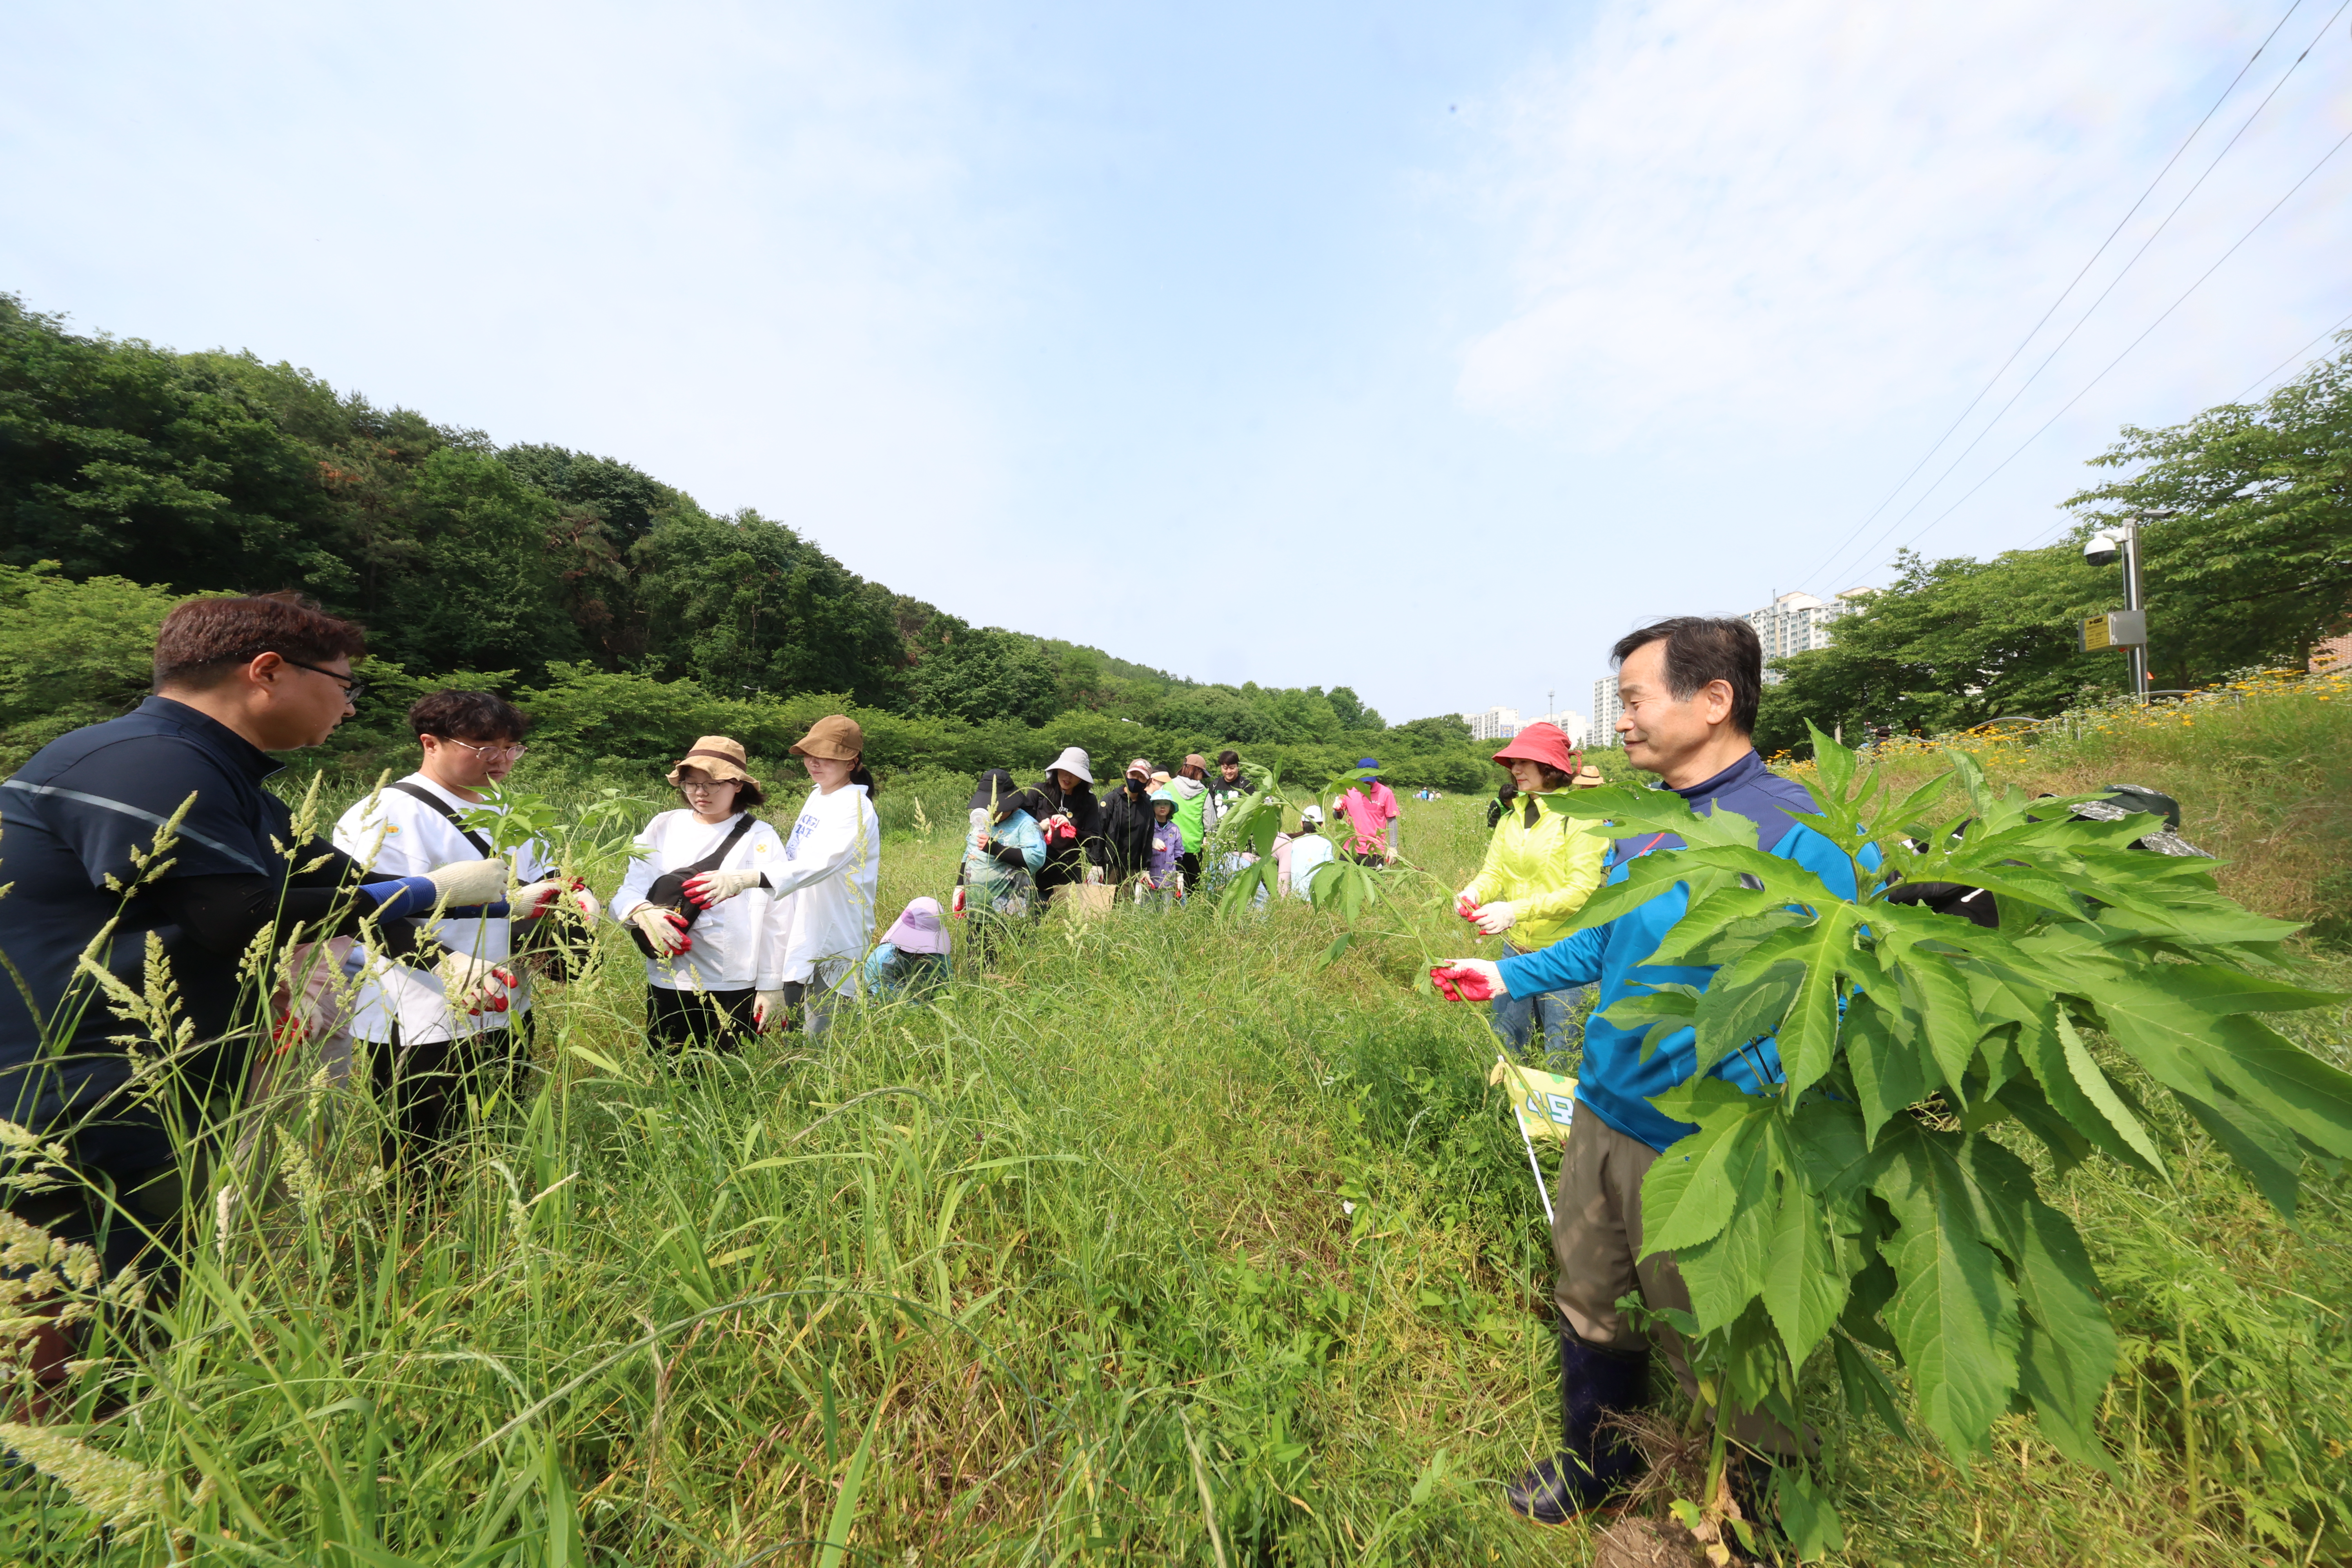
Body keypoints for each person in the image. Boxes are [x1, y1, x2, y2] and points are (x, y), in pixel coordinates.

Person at [0, 594, 511, 1404]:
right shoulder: (144, 759)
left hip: (156, 1094)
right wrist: (426, 889)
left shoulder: (226, 778)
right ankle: (53, 1500)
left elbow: (337, 885)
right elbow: (231, 915)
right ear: (267, 671)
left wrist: (457, 944)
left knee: (136, 1323)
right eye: (344, 685)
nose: (349, 704)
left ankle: (111, 1488)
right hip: (72, 1098)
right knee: (57, 1335)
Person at [1433, 618, 1873, 1526]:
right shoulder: (1646, 817)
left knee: (1723, 1336)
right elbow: (1610, 932)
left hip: (1708, 1133)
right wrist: (1507, 972)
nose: (1621, 722)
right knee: (1590, 1296)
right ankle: (1595, 1461)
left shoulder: (1800, 831)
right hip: (1604, 1107)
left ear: (1713, 701)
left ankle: (1755, 1512)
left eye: (1634, 699)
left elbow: (1852, 980)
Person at [335, 691, 593, 1146]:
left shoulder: (510, 810)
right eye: (484, 748)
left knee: (495, 1137)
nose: (502, 760)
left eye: (511, 747)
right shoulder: (385, 813)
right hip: (420, 1011)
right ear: (430, 742)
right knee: (424, 1153)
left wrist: (573, 903)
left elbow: (544, 882)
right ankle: (414, 1219)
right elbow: (367, 912)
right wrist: (448, 964)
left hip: (507, 1002)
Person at [700, 716, 881, 1040]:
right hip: (801, 925)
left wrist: (751, 877)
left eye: (827, 756)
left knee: (822, 1035)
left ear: (852, 762)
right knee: (790, 1029)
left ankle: (824, 1090)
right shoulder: (819, 795)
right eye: (810, 754)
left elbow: (822, 863)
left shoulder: (856, 806)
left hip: (833, 935)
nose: (814, 762)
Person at [608, 735, 789, 1058]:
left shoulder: (761, 836)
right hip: (670, 979)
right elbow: (629, 890)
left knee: (733, 1079)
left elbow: (779, 915)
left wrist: (772, 984)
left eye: (713, 784)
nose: (700, 793)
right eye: (691, 784)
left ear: (738, 785)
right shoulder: (663, 826)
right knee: (672, 1072)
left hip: (735, 982)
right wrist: (641, 912)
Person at [1454, 722, 1608, 1062]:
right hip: (1515, 953)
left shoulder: (1580, 819)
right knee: (1507, 1048)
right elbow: (1493, 872)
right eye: (1512, 763)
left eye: (1525, 761)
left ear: (1551, 767)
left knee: (1562, 1055)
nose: (1515, 769)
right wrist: (1474, 892)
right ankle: (1508, 1113)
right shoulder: (1510, 819)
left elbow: (1581, 892)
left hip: (1568, 957)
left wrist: (1514, 911)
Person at [960, 767, 1045, 962]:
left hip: (1010, 912)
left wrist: (997, 848)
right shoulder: (981, 824)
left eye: (997, 809)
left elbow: (1035, 858)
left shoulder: (1026, 824)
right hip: (978, 911)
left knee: (1008, 960)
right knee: (978, 960)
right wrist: (960, 886)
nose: (992, 813)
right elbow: (969, 853)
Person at [1008, 746, 1100, 906]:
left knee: (1065, 919)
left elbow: (1093, 838)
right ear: (1057, 770)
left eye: (1075, 774)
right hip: (1037, 868)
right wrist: (1039, 826)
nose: (1068, 777)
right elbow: (1018, 829)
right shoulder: (1038, 792)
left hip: (1069, 870)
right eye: (1065, 771)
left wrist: (1072, 829)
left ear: (1082, 778)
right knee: (1035, 916)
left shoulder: (1088, 800)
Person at [864, 898, 950, 1004]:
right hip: (880, 995)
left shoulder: (937, 955)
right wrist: (927, 1011)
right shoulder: (887, 960)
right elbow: (896, 1000)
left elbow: (945, 983)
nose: (925, 954)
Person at [1092, 758, 1158, 889]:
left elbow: (1148, 836)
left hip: (1133, 868)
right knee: (1107, 903)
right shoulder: (1111, 800)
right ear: (1127, 774)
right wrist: (1096, 863)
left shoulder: (1147, 804)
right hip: (1110, 865)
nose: (1136, 780)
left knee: (1127, 904)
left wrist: (1146, 867)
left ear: (1148, 781)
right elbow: (1098, 833)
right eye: (1133, 775)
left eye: (1141, 777)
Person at [1335, 759, 1400, 864]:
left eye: (1370, 779)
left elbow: (1392, 821)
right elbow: (1339, 816)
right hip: (1350, 848)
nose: (1367, 783)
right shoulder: (1348, 790)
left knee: (1373, 881)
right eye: (1364, 779)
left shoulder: (1386, 793)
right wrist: (1338, 810)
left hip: (1375, 849)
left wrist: (1393, 847)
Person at [1164, 755, 1210, 888]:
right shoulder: (1204, 793)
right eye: (1202, 773)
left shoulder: (1167, 787)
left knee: (1169, 887)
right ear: (1196, 771)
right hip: (1193, 848)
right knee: (1192, 889)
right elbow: (1210, 824)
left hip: (1170, 845)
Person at [1139, 788, 1185, 906]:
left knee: (1167, 912)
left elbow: (1179, 853)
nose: (1162, 807)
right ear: (1153, 807)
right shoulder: (1148, 827)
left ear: (1171, 807)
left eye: (1166, 804)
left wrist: (1180, 875)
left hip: (1169, 879)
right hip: (1151, 878)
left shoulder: (1174, 829)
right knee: (1148, 911)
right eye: (1158, 804)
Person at [1280, 805, 1336, 901]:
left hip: (1297, 895)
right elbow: (1331, 868)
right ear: (1322, 825)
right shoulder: (1326, 844)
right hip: (1318, 896)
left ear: (1302, 824)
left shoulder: (1296, 843)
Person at [1201, 749, 1252, 840]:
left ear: (1238, 766)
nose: (1229, 771)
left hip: (1240, 836)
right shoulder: (1214, 785)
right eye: (1225, 768)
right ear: (1221, 767)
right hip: (1218, 836)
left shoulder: (1247, 785)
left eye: (1232, 768)